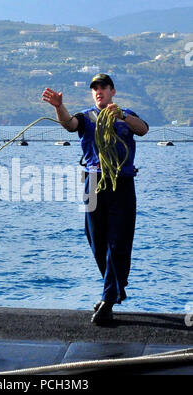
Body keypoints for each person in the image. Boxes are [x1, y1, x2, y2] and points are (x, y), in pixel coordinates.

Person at [42, 73, 148, 325]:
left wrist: (121, 115)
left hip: (121, 182)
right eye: (95, 88)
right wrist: (59, 107)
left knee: (118, 242)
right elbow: (69, 124)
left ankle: (108, 300)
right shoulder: (87, 116)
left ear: (112, 91)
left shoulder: (126, 114)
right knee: (95, 239)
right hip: (92, 182)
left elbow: (142, 130)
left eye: (103, 87)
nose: (98, 91)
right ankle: (116, 288)